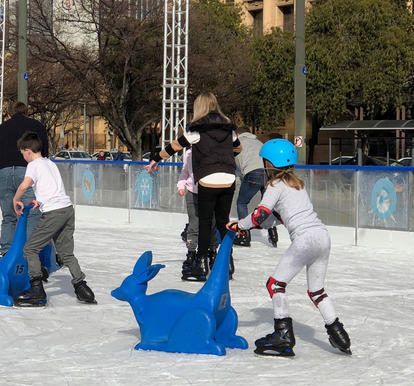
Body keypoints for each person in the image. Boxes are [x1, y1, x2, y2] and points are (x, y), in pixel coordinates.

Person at [226, 139, 351, 357]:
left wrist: (241, 225)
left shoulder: (274, 185)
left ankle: (283, 335)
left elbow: (261, 214)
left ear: (269, 164)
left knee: (275, 285)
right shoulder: (297, 184)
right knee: (317, 291)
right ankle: (339, 333)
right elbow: (274, 218)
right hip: (322, 237)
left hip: (304, 240)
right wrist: (249, 224)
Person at [147, 92, 241, 281]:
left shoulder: (197, 130)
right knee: (223, 221)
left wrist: (155, 159)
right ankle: (227, 262)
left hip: (207, 178)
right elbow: (238, 149)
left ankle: (200, 262)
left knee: (205, 222)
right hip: (229, 178)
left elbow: (175, 146)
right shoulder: (229, 129)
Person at [12, 132, 96, 307]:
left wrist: (16, 199)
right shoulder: (50, 163)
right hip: (67, 209)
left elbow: (24, 185)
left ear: (27, 151)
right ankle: (83, 288)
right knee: (66, 253)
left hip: (53, 213)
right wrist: (39, 201)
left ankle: (36, 291)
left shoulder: (33, 165)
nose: (23, 157)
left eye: (22, 153)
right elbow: (51, 188)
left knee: (30, 249)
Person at [0, 101, 49, 256]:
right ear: (26, 112)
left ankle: (6, 252)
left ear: (9, 114)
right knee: (32, 213)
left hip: (3, 171)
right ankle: (29, 253)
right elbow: (44, 152)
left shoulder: (1, 128)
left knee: (9, 215)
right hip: (27, 172)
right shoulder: (36, 126)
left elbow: (0, 150)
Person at [177, 148, 219, 281]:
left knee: (212, 223)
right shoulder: (189, 153)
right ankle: (191, 253)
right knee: (194, 224)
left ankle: (212, 252)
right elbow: (185, 172)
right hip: (192, 191)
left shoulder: (212, 149)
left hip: (210, 190)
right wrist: (181, 185)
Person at [233, 126, 278, 247]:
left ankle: (244, 235)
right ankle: (273, 233)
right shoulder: (259, 142)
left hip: (252, 173)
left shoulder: (237, 143)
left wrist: (239, 178)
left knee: (242, 203)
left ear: (238, 134)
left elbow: (236, 165)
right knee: (267, 205)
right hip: (268, 173)